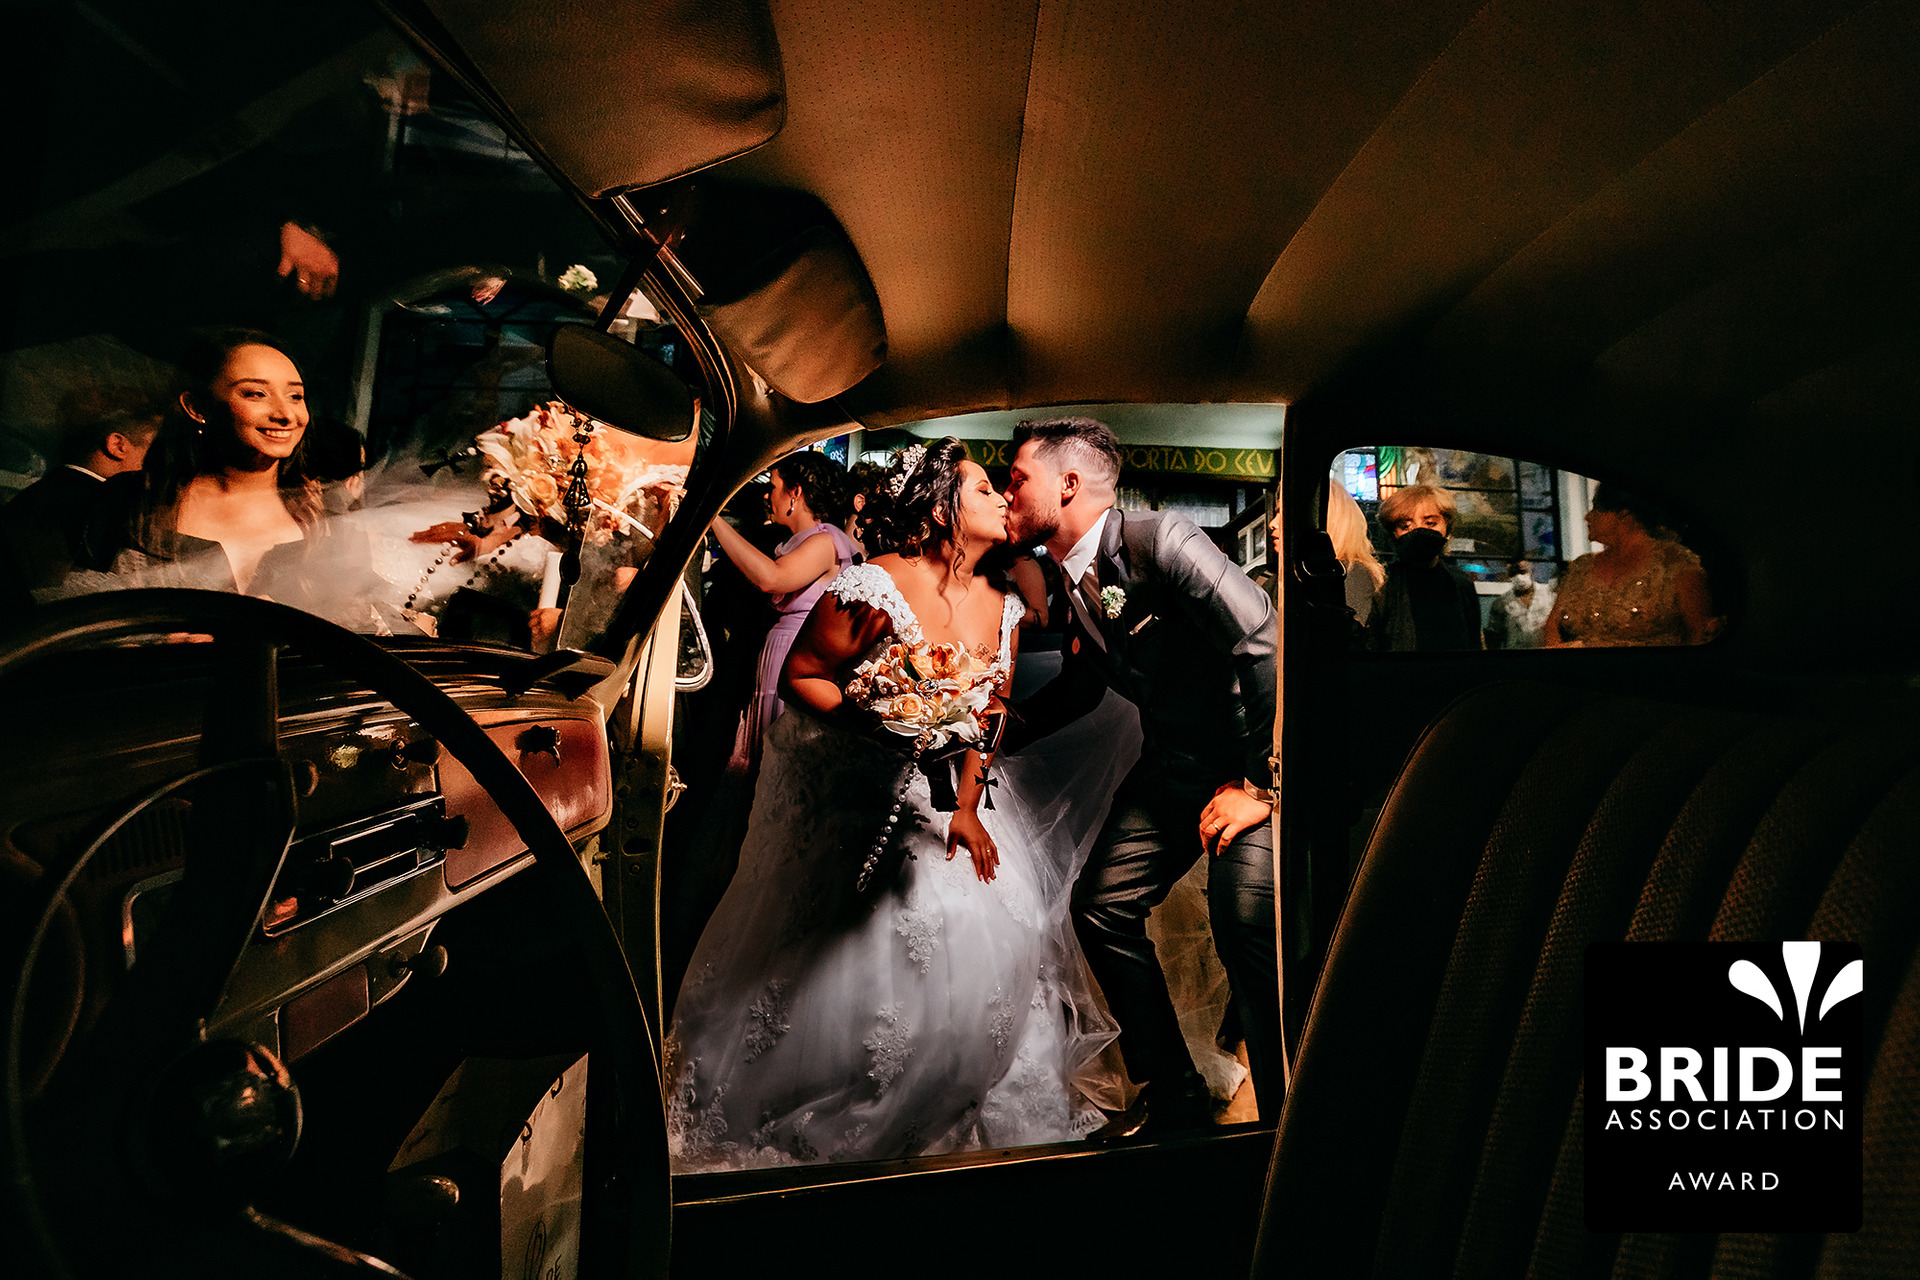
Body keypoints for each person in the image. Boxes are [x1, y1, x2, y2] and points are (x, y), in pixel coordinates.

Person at [665, 440, 1124, 1169]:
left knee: (978, 926)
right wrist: (877, 720)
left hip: (938, 801)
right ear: (941, 510)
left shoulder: (1006, 609)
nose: (1003, 499)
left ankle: (947, 1098)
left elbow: (988, 715)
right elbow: (802, 677)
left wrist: (967, 807)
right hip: (856, 786)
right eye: (983, 490)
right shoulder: (873, 587)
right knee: (833, 954)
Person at [1001, 417, 1281, 1130]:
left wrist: (1261, 786)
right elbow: (1081, 687)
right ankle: (1173, 1093)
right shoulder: (1070, 577)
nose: (1007, 495)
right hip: (1175, 767)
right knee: (1100, 908)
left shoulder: (1163, 540)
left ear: (1067, 485)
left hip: (1245, 770)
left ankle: (1286, 1112)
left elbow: (1263, 637)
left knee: (1242, 922)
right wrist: (991, 733)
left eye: (1018, 479)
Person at [71, 328, 378, 628]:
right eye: (256, 394)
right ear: (197, 407)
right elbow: (70, 622)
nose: (285, 414)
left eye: (295, 396)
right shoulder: (129, 501)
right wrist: (157, 642)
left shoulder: (324, 523)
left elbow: (361, 631)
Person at [707, 450, 860, 771]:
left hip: (796, 654)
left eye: (774, 487)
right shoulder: (802, 540)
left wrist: (712, 518)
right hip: (780, 652)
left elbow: (771, 579)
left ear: (796, 493)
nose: (768, 495)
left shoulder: (824, 541)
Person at [1, 386, 162, 603]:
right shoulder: (106, 508)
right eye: (152, 447)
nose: (157, 460)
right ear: (117, 445)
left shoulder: (39, 493)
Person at [1547, 485, 1714, 647]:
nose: (1587, 517)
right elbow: (1551, 626)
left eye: (1597, 509)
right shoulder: (1581, 566)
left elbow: (1700, 634)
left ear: (1623, 514)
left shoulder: (1674, 563)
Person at [1365, 483, 1484, 652]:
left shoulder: (1461, 583)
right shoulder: (1381, 586)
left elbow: (1475, 645)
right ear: (1393, 534)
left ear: (1447, 526)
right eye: (1406, 526)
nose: (1419, 530)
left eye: (1430, 523)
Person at [1486, 558, 1556, 649]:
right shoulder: (1501, 602)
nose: (1519, 577)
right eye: (1513, 573)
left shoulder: (1549, 595)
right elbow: (1493, 637)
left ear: (1531, 570)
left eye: (1522, 572)